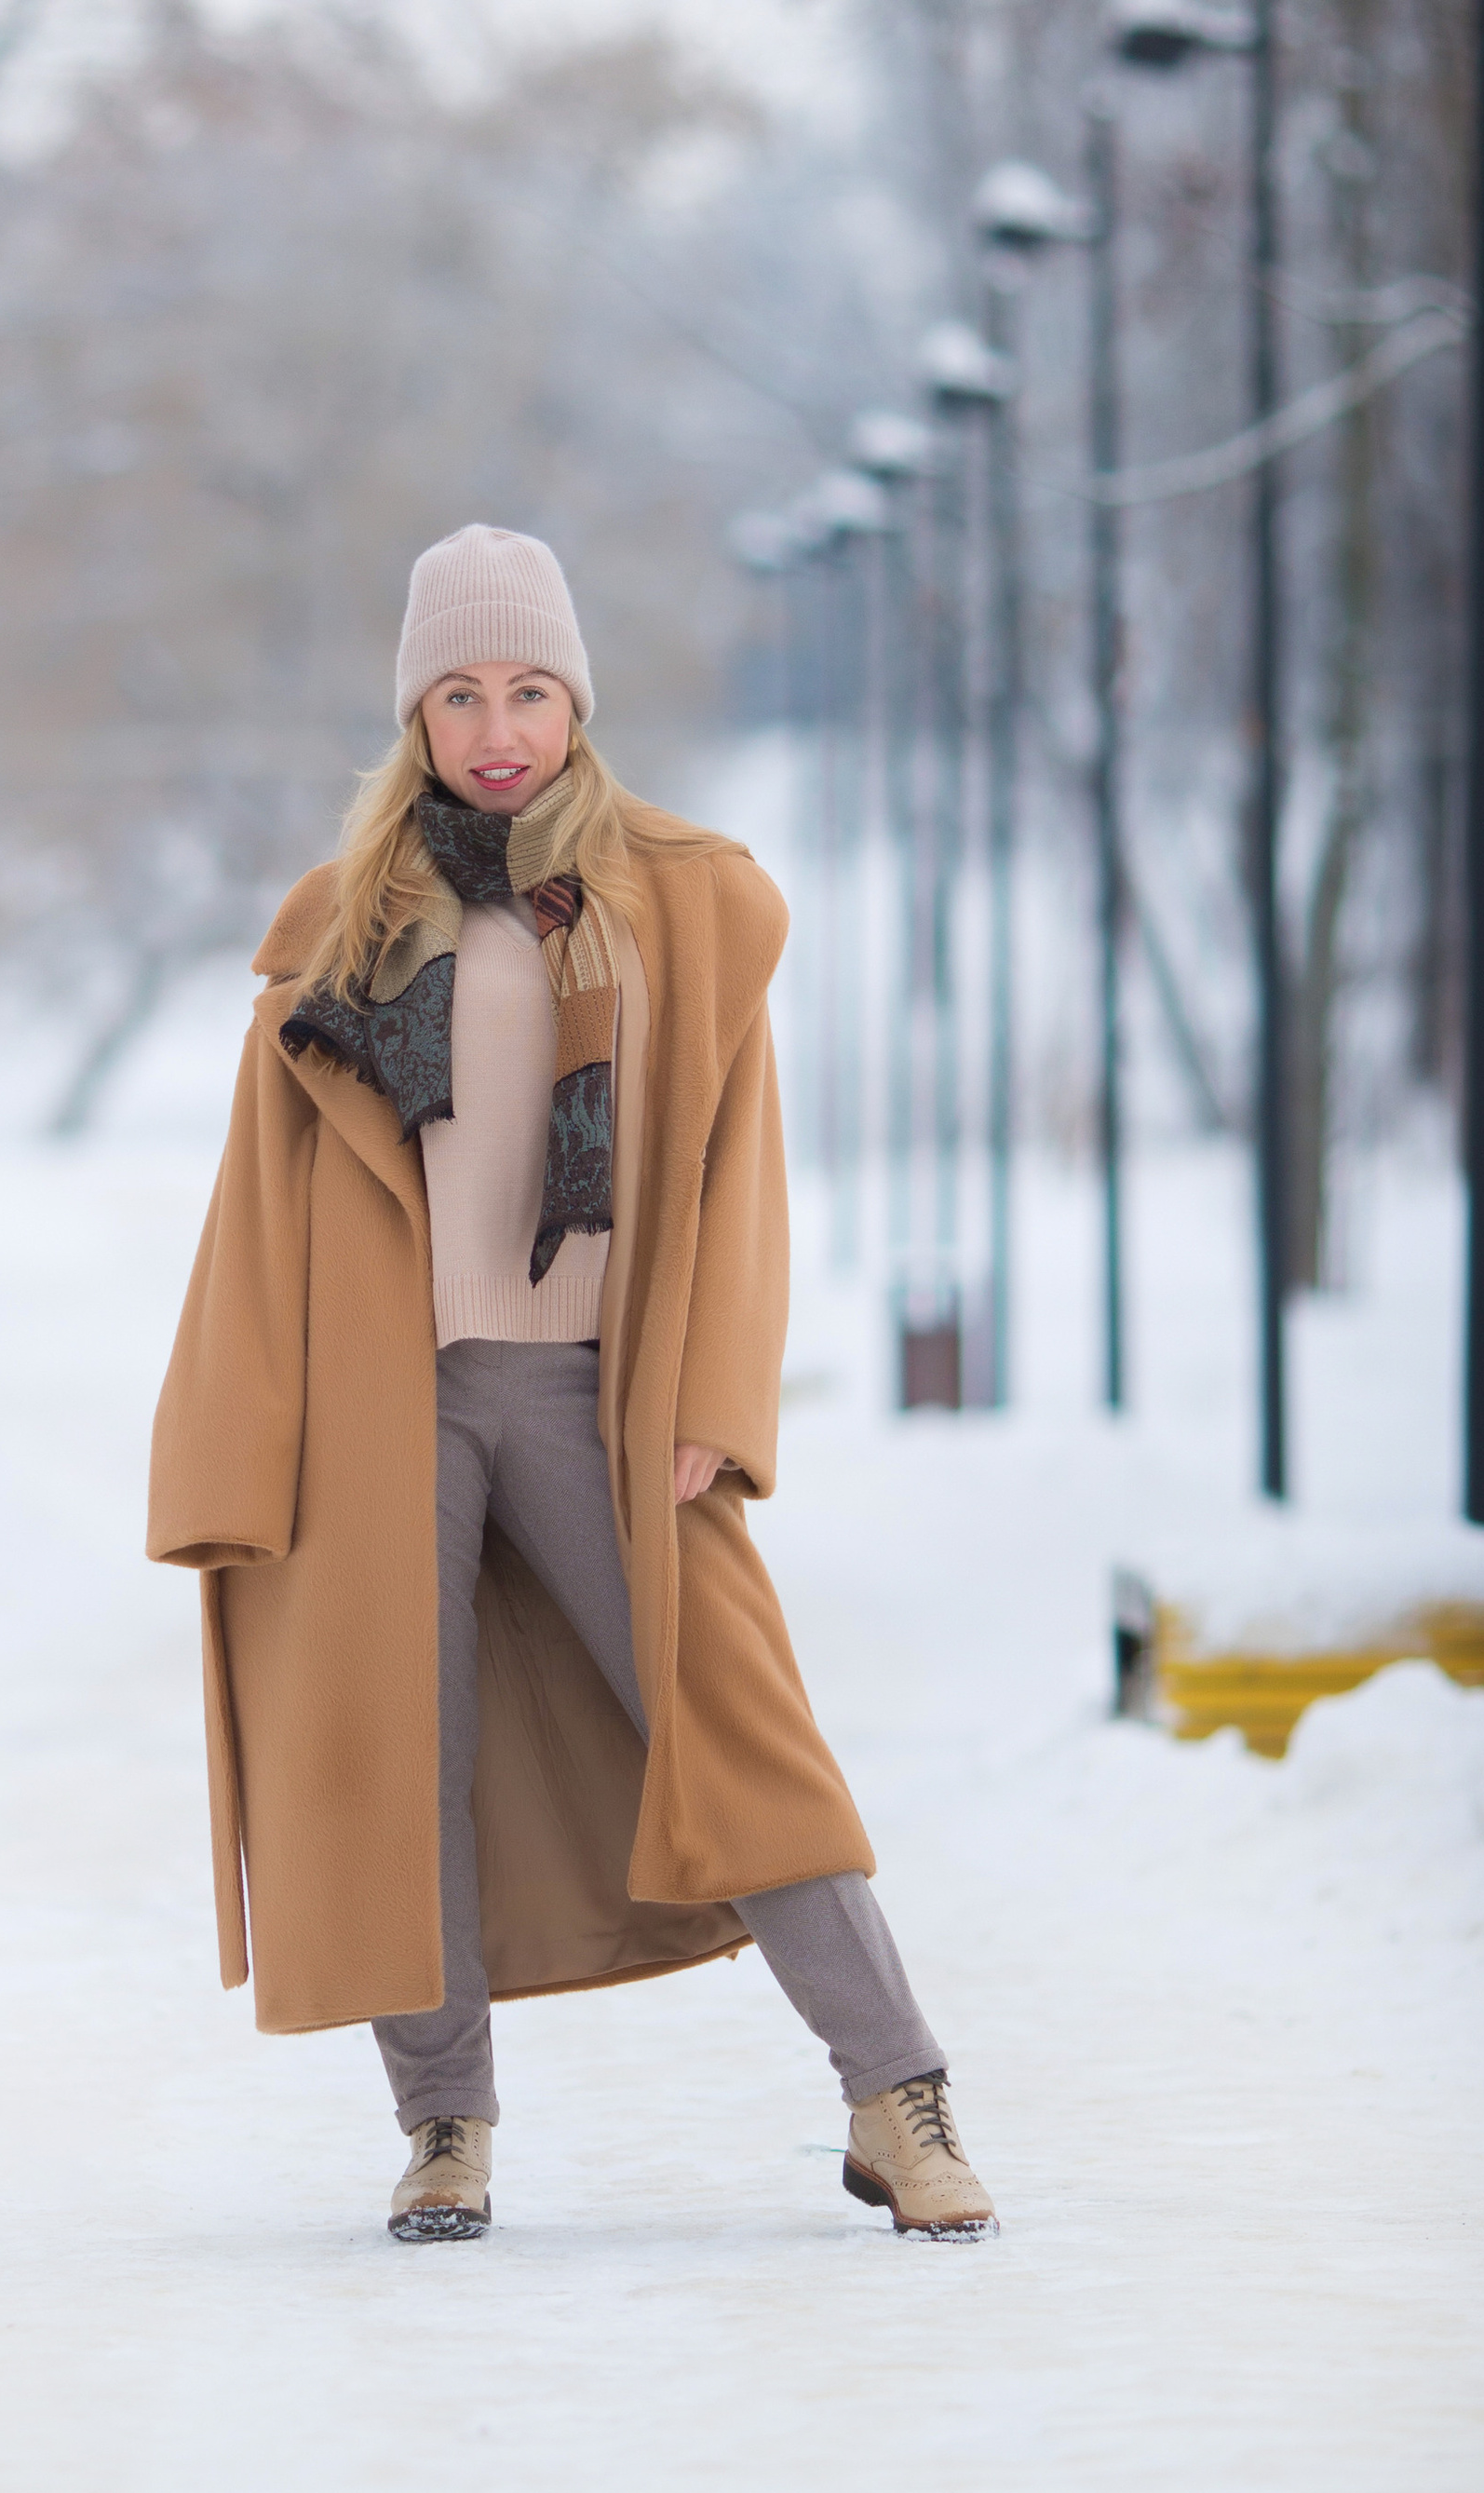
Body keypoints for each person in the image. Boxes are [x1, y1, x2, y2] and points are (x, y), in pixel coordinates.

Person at [148, 523, 997, 2246]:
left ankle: (896, 2097)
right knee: (405, 1763)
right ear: (418, 717)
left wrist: (708, 1397)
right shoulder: (346, 933)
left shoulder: (678, 900)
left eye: (528, 686)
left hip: (600, 1402)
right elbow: (257, 1218)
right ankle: (443, 2128)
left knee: (741, 1735)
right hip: (383, 1407)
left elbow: (735, 1180)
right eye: (458, 694)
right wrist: (241, 1458)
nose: (497, 724)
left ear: (577, 699)